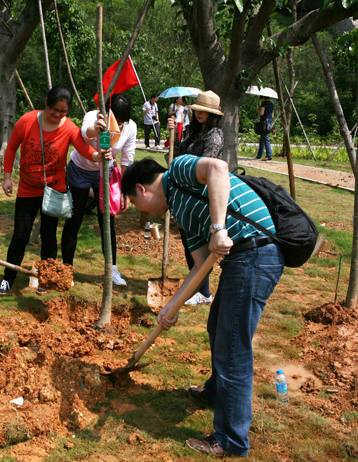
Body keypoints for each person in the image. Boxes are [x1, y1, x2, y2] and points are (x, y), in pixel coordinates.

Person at [121, 156, 283, 458]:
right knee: (218, 327)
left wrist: (219, 228)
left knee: (233, 347)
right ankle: (216, 392)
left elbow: (218, 168)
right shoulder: (183, 214)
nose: (142, 213)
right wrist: (173, 305)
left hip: (257, 253)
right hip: (242, 260)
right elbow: (199, 267)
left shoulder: (178, 172)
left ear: (141, 190)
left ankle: (231, 439)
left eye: (135, 204)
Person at [0, 85, 110, 297]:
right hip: (27, 189)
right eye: (53, 109)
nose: (57, 115)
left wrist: (96, 156)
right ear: (46, 103)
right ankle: (7, 279)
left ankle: (46, 278)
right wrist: (7, 177)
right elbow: (11, 148)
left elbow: (82, 147)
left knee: (48, 236)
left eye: (63, 112)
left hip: (53, 191)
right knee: (20, 235)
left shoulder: (69, 128)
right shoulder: (27, 121)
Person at [61, 94, 136, 287]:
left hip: (105, 173)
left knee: (106, 221)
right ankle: (67, 269)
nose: (117, 124)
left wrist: (124, 191)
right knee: (75, 218)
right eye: (115, 119)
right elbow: (85, 133)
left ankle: (112, 269)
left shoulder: (131, 127)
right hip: (81, 170)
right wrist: (97, 128)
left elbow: (127, 159)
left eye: (121, 121)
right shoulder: (94, 116)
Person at [167, 90, 224, 306]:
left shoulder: (214, 135)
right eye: (197, 109)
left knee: (199, 245)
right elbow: (179, 154)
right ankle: (198, 288)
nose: (199, 113)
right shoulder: (193, 130)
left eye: (204, 111)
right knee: (189, 245)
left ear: (213, 114)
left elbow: (206, 164)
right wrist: (173, 135)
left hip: (201, 196)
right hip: (185, 192)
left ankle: (205, 292)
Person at [256, 95, 274, 161]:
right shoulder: (271, 104)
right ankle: (259, 154)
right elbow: (272, 115)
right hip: (269, 122)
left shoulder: (264, 103)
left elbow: (261, 113)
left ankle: (269, 155)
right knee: (262, 138)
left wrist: (258, 109)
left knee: (265, 138)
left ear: (263, 97)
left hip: (264, 123)